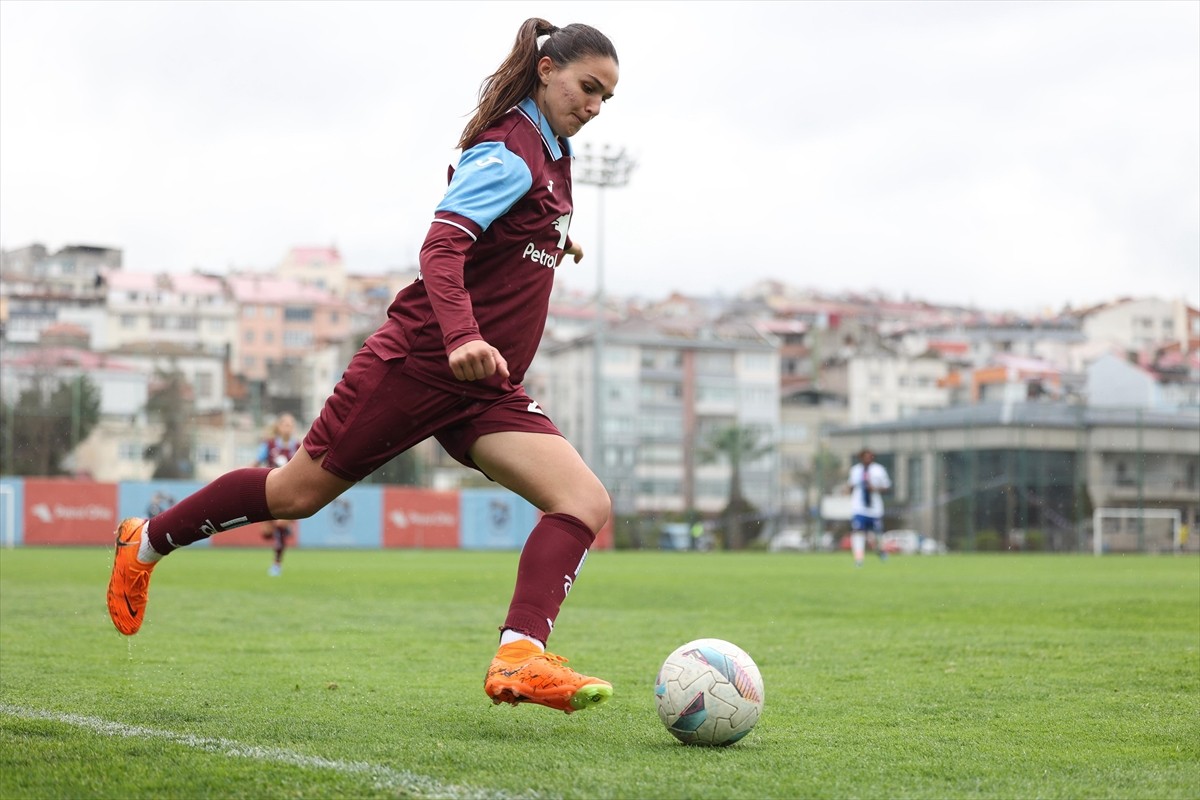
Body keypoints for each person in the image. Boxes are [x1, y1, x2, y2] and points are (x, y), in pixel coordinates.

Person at [107, 18, 620, 715]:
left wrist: (553, 243)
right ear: (546, 71)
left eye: (605, 99)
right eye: (587, 88)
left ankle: (520, 657)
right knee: (294, 496)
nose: (594, 107)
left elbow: (506, 236)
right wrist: (464, 334)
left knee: (585, 503)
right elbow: (441, 249)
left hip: (483, 388)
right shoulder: (508, 151)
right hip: (419, 363)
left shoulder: (553, 154)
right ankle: (147, 540)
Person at [256, 413, 300, 576]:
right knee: (267, 533)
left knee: (281, 524)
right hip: (270, 493)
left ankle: (276, 565)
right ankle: (282, 531)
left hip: (291, 495)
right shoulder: (269, 445)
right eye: (285, 424)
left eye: (291, 424)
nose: (288, 427)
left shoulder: (299, 447)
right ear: (279, 427)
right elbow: (255, 464)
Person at [847, 448, 891, 567]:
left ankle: (880, 551)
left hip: (874, 509)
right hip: (859, 508)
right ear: (860, 458)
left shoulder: (879, 470)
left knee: (876, 535)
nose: (867, 459)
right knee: (858, 532)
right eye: (864, 456)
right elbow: (850, 486)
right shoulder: (855, 470)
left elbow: (887, 487)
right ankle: (859, 559)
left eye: (869, 456)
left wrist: (875, 489)